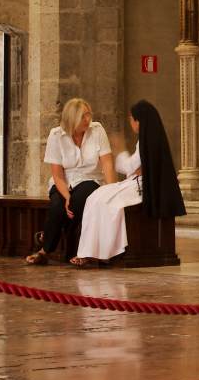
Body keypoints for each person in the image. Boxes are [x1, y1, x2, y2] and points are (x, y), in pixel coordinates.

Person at [71, 100, 186, 266]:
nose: (131, 123)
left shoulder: (146, 140)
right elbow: (136, 168)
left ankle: (106, 252)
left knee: (108, 204)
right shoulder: (151, 138)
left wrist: (120, 150)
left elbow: (130, 166)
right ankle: (92, 251)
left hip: (141, 188)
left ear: (138, 121)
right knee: (95, 198)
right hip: (138, 183)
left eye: (131, 119)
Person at [25, 97, 114, 265]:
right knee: (58, 205)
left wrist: (110, 190)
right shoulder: (56, 135)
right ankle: (46, 251)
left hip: (90, 179)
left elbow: (107, 162)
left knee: (76, 203)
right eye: (83, 117)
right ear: (72, 119)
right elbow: (57, 174)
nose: (88, 120)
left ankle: (50, 241)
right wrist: (66, 196)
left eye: (89, 115)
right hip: (63, 181)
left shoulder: (97, 130)